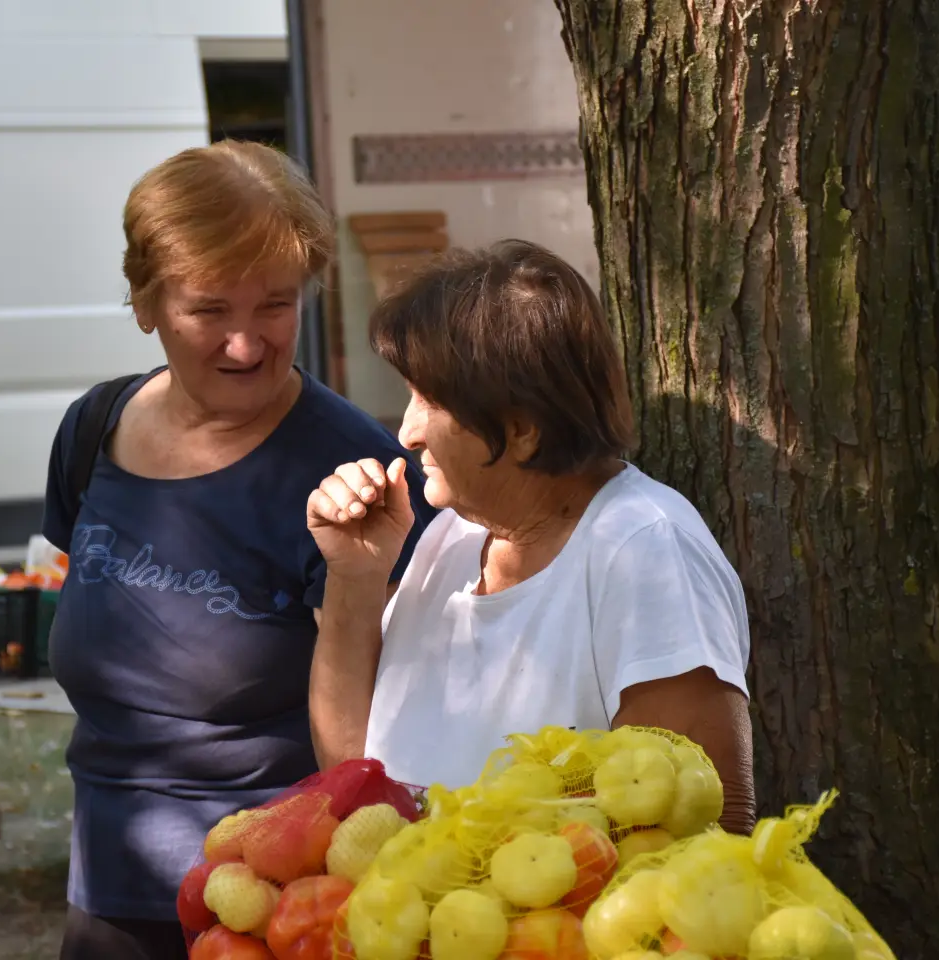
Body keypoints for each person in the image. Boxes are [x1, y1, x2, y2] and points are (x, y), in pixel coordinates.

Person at [41, 139, 437, 960]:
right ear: (145, 303)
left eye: (275, 306)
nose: (246, 344)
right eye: (210, 310)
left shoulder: (356, 478)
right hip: (105, 892)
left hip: (275, 915)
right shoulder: (94, 429)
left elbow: (396, 742)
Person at [306, 239, 756, 834]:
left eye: (429, 400)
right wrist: (355, 578)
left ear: (521, 430)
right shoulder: (450, 536)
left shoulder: (644, 549)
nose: (407, 433)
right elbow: (351, 778)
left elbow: (700, 826)